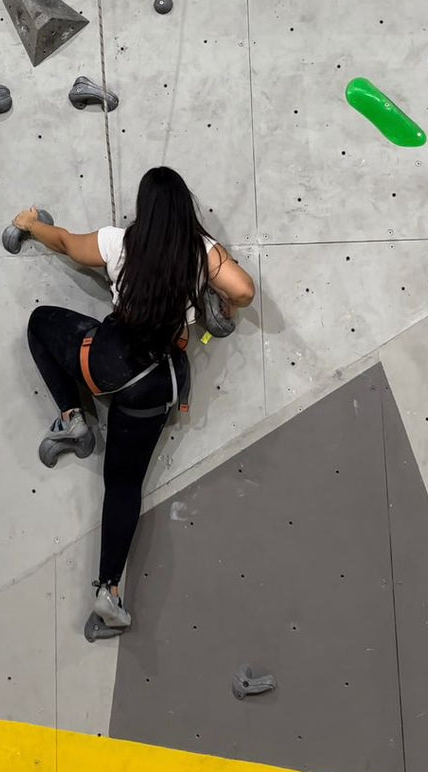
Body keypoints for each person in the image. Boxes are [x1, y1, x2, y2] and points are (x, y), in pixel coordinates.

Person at [16, 166, 256, 636]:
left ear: (145, 210)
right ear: (186, 210)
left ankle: (73, 419)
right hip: (154, 386)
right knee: (123, 486)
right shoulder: (201, 254)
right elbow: (244, 291)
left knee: (42, 322)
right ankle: (108, 592)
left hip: (105, 364)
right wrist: (219, 296)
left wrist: (31, 224)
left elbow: (64, 242)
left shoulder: (118, 242)